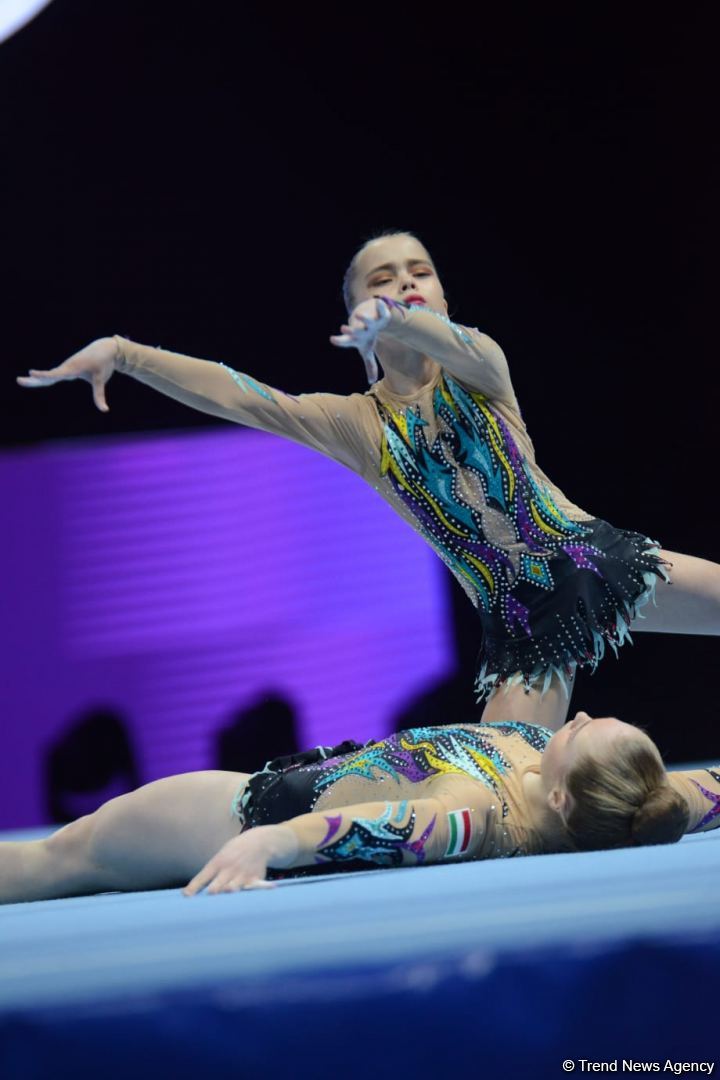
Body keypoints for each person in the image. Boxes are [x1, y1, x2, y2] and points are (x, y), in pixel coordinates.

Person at [16, 231, 720, 731]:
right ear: (350, 317)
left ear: (441, 292)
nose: (405, 281)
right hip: (524, 624)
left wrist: (396, 315)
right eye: (381, 279)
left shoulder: (481, 368)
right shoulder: (360, 426)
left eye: (419, 270)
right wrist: (126, 353)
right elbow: (242, 396)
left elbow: (449, 340)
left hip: (598, 559)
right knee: (505, 796)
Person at [0, 712, 717, 904]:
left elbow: (374, 829)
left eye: (586, 732)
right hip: (281, 783)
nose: (584, 714)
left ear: (561, 797)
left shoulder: (475, 814)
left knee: (54, 861)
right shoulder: (648, 800)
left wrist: (268, 845)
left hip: (230, 813)